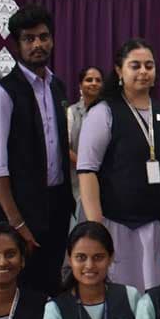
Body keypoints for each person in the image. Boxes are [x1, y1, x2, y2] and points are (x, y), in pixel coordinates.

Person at [0, 5, 73, 295]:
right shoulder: (0, 95)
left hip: (57, 204)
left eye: (43, 37)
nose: (38, 44)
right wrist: (16, 221)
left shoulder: (58, 86)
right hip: (21, 209)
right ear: (16, 44)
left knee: (51, 286)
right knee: (22, 290)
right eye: (29, 39)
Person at [78, 38, 160, 292]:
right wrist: (97, 228)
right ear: (119, 71)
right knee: (124, 295)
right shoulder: (103, 112)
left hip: (159, 224)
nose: (143, 71)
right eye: (135, 66)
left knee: (156, 296)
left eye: (149, 66)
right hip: (118, 225)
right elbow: (87, 171)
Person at [67, 66, 104, 221]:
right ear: (80, 85)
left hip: (106, 179)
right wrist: (86, 166)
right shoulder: (71, 112)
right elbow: (64, 148)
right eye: (89, 80)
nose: (94, 83)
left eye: (98, 80)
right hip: (78, 181)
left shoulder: (109, 111)